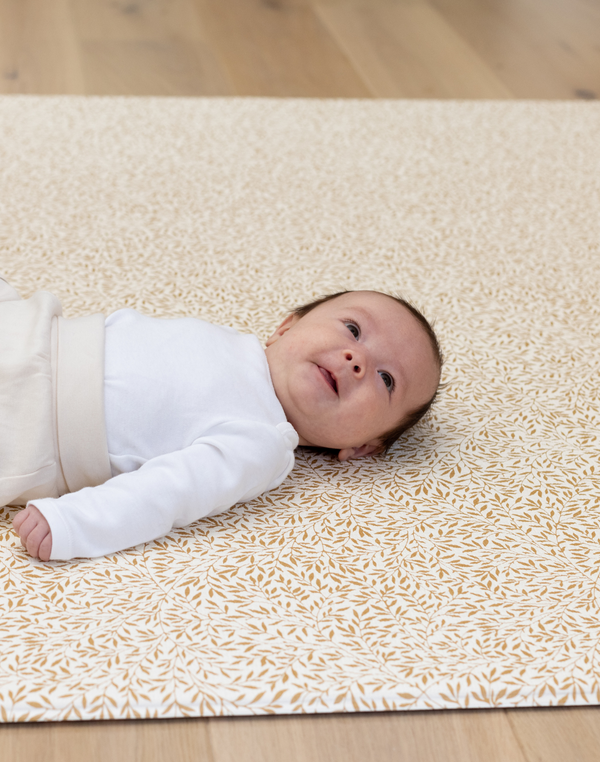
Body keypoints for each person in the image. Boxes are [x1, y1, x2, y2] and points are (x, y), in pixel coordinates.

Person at [2, 277, 442, 562]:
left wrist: (77, 522)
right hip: (33, 329)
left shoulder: (262, 442)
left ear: (363, 447)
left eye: (386, 379)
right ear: (286, 328)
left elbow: (168, 492)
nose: (357, 359)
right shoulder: (231, 342)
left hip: (30, 426)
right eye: (353, 329)